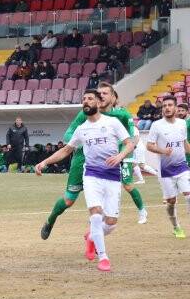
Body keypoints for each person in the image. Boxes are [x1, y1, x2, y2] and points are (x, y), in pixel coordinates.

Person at [35, 89, 134, 272]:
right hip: (89, 172)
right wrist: (44, 162)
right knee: (88, 210)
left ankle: (91, 237)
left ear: (99, 102)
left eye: (90, 99)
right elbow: (66, 148)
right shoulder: (81, 126)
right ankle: (103, 257)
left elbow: (130, 142)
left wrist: (120, 156)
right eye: (84, 99)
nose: (86, 102)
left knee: (111, 222)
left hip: (111, 175)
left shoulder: (113, 122)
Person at [40, 83, 148, 239]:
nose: (101, 96)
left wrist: (121, 154)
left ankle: (94, 240)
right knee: (69, 200)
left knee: (102, 207)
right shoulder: (85, 114)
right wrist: (86, 141)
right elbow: (69, 135)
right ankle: (51, 220)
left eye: (105, 93)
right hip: (82, 161)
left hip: (108, 164)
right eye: (99, 93)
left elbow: (132, 139)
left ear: (113, 97)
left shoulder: (122, 116)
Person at [145, 95, 190, 239]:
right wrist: (163, 151)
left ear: (176, 108)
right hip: (166, 171)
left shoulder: (182, 124)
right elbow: (149, 145)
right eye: (164, 106)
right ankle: (176, 226)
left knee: (189, 195)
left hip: (182, 167)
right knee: (171, 202)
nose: (167, 108)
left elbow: (184, 144)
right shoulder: (156, 125)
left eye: (170, 105)